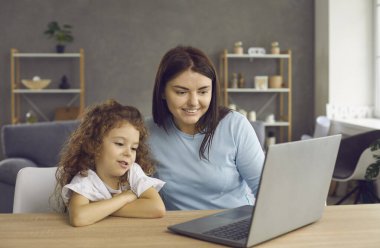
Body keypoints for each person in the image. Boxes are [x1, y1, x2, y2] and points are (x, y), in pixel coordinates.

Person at [146, 46, 265, 210]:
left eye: (203, 92)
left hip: (233, 225)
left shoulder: (235, 125)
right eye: (181, 92)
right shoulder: (146, 132)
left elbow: (265, 190)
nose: (194, 102)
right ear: (162, 92)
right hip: (176, 229)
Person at [55, 99, 166, 227]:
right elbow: (79, 217)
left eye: (134, 148)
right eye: (119, 144)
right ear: (95, 144)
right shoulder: (86, 179)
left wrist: (98, 208)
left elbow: (157, 208)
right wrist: (124, 198)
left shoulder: (133, 172)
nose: (128, 153)